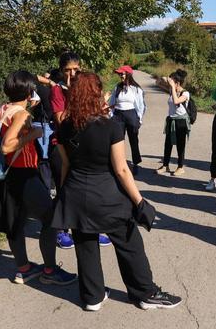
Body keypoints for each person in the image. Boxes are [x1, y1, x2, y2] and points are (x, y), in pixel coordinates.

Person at [50, 72, 182, 311]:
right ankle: (145, 293)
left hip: (75, 194)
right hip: (107, 197)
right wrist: (139, 201)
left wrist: (63, 196)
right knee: (129, 242)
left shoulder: (65, 127)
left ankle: (92, 296)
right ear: (96, 93)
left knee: (85, 245)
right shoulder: (111, 126)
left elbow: (66, 167)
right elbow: (121, 170)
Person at [0, 70, 77, 285]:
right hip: (25, 174)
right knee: (51, 219)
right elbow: (7, 146)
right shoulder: (21, 114)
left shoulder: (3, 109)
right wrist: (33, 134)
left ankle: (24, 268)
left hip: (9, 175)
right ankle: (50, 272)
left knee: (16, 222)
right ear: (29, 91)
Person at [49, 51, 111, 249]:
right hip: (63, 145)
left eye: (76, 69)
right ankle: (61, 230)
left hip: (86, 142)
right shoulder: (58, 91)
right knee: (64, 186)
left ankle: (93, 227)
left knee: (91, 186)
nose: (72, 74)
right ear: (61, 71)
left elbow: (97, 111)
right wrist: (71, 94)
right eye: (68, 70)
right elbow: (60, 121)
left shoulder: (87, 85)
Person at [108, 65, 146, 175]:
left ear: (128, 74)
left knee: (133, 140)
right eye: (119, 74)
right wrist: (111, 115)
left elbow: (140, 105)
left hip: (131, 114)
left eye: (122, 74)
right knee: (117, 141)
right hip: (118, 115)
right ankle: (117, 164)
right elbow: (111, 103)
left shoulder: (136, 89)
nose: (120, 76)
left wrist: (139, 119)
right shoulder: (117, 87)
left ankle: (135, 164)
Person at [157, 69, 190, 176]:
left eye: (173, 82)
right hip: (171, 120)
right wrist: (167, 79)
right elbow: (159, 81)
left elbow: (176, 101)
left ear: (178, 83)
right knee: (168, 144)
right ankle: (165, 165)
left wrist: (172, 87)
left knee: (180, 145)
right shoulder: (172, 90)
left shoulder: (185, 93)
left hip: (181, 121)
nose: (170, 84)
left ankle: (180, 167)